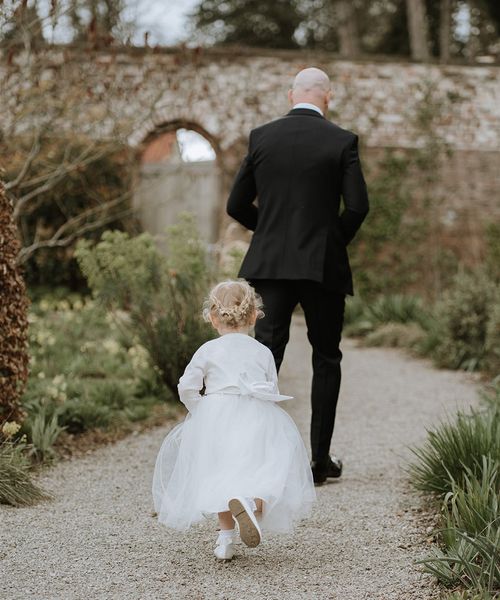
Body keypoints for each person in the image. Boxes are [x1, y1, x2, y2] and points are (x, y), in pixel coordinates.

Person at [226, 67, 370, 485]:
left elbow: (237, 205)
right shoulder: (342, 141)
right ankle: (320, 463)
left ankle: (256, 459)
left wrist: (270, 233)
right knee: (326, 357)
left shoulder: (261, 138)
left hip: (269, 267)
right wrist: (328, 242)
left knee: (265, 356)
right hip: (321, 267)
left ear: (291, 95)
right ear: (328, 97)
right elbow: (358, 207)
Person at [152, 280, 316, 561]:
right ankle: (251, 504)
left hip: (216, 416)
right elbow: (271, 390)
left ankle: (226, 540)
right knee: (265, 469)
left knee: (220, 474)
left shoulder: (207, 350)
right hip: (256, 415)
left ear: (214, 318)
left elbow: (186, 387)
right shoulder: (262, 351)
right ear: (253, 316)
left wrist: (201, 410)